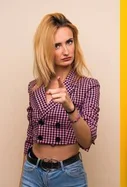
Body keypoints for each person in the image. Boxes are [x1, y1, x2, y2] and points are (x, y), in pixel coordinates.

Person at [21, 12, 100, 187]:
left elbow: (87, 141)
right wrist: (23, 175)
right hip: (32, 172)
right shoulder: (34, 87)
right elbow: (30, 136)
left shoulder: (88, 85)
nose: (66, 51)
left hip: (68, 175)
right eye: (57, 45)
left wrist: (70, 106)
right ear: (46, 49)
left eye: (69, 42)